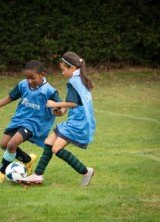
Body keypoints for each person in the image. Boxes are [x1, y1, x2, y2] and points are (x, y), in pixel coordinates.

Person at [19, 51, 96, 186]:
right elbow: (73, 101)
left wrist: (55, 104)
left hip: (78, 123)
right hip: (78, 120)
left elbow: (74, 103)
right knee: (49, 141)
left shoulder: (73, 81)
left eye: (63, 70)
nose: (62, 73)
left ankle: (85, 171)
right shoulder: (80, 79)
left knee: (56, 149)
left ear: (72, 68)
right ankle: (37, 175)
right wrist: (61, 111)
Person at [0, 60, 66, 183]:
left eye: (33, 78)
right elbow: (11, 97)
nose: (29, 81)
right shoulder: (23, 85)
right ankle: (27, 160)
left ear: (42, 74)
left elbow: (62, 106)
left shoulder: (49, 91)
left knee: (12, 145)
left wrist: (60, 111)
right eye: (27, 78)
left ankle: (1, 172)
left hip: (33, 124)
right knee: (4, 145)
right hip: (18, 120)